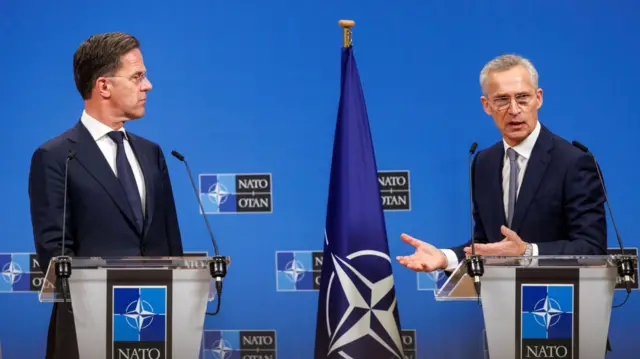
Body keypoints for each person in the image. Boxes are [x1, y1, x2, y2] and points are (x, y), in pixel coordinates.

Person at [28, 32, 184, 359]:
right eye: (137, 76)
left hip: (153, 329)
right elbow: (56, 257)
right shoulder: (56, 157)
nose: (148, 85)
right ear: (104, 86)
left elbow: (171, 245)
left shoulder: (152, 153)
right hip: (89, 332)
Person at [396, 54, 607, 274]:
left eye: (523, 97)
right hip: (502, 301)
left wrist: (527, 251)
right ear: (486, 105)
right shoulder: (483, 162)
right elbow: (487, 243)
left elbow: (592, 249)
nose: (514, 110)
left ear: (539, 98)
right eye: (502, 100)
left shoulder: (573, 162)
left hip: (558, 300)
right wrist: (445, 257)